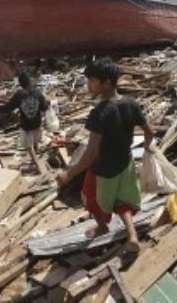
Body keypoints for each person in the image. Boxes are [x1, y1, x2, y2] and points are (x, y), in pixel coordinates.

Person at [56, 58, 153, 254]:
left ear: (107, 83)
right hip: (125, 162)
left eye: (92, 81)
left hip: (103, 169)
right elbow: (149, 131)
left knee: (89, 197)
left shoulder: (99, 113)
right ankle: (132, 236)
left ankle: (102, 226)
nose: (88, 86)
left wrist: (70, 174)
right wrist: (148, 147)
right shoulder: (131, 103)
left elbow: (91, 153)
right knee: (122, 200)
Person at [0, 72, 49, 172]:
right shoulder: (37, 92)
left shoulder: (19, 94)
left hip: (26, 125)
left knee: (29, 147)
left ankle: (37, 166)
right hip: (37, 122)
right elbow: (45, 107)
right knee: (35, 142)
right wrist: (46, 102)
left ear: (20, 83)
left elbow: (8, 108)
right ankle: (35, 161)